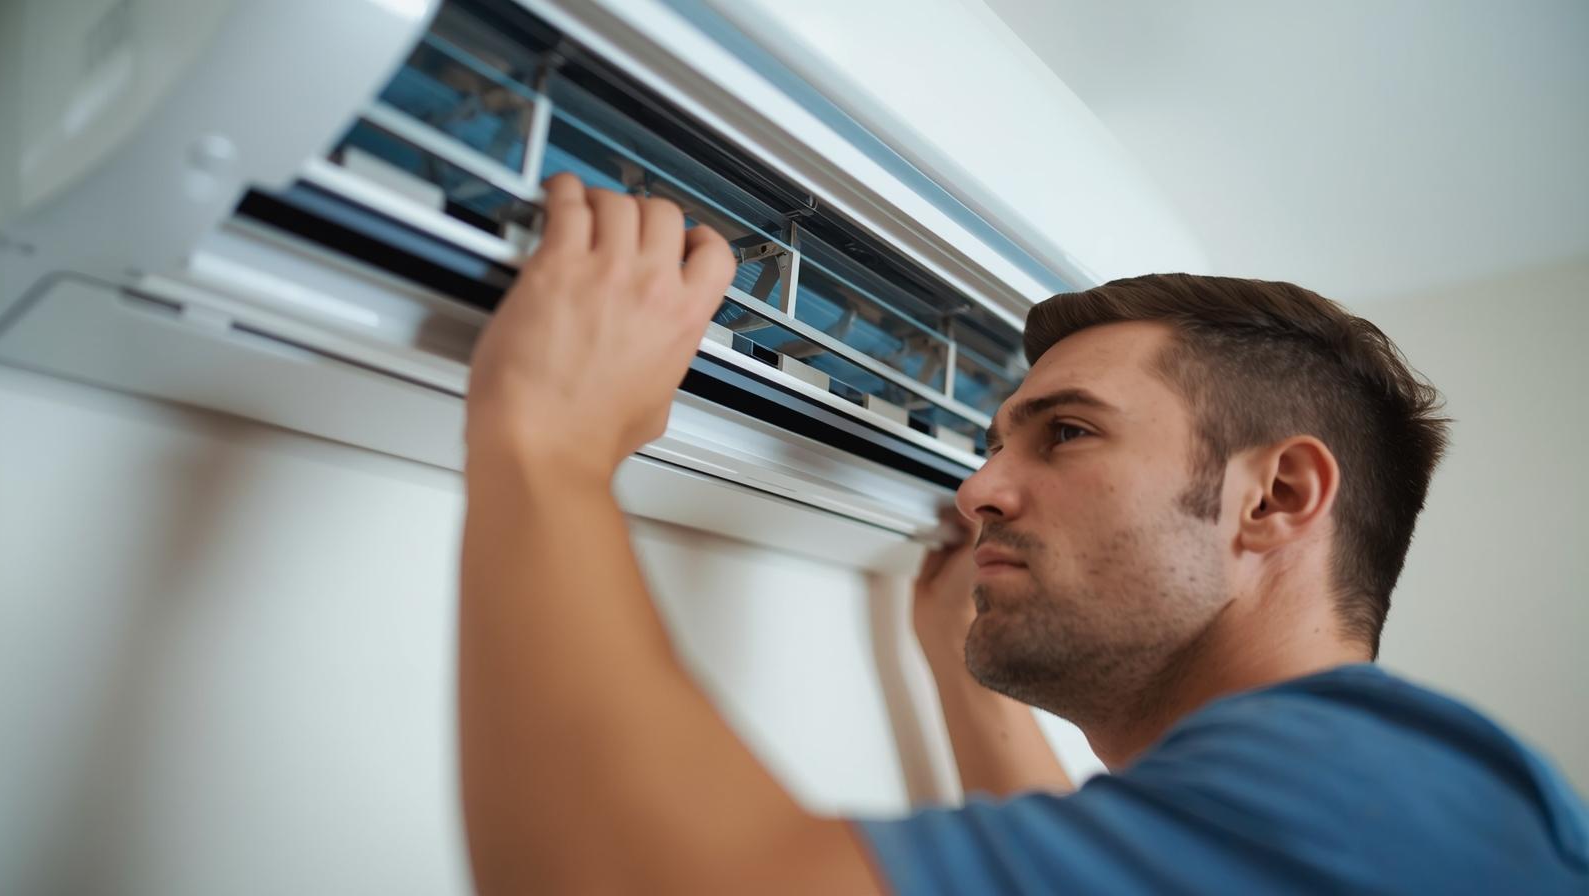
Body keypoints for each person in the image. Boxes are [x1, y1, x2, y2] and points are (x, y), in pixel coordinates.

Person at [457, 174, 1588, 894]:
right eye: (998, 441)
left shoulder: (1384, 781)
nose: (977, 490)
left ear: (1277, 496)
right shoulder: (1375, 811)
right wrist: (974, 674)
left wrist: (551, 436)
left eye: (1068, 433)